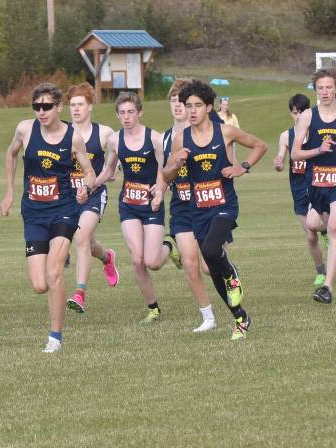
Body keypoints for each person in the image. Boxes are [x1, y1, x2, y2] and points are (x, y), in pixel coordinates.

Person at [162, 79, 267, 339]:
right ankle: (240, 318)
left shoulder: (226, 132)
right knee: (210, 262)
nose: (193, 110)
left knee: (210, 251)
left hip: (223, 205)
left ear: (209, 106)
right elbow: (166, 175)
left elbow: (260, 145)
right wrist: (175, 163)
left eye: (198, 105)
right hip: (197, 208)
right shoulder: (180, 138)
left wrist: (242, 167)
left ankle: (232, 274)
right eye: (188, 106)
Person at [1, 83, 95, 352]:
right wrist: (9, 191)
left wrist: (85, 187)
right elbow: (10, 153)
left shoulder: (73, 137)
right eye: (37, 107)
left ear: (58, 107)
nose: (41, 112)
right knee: (39, 284)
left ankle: (55, 337)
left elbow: (88, 171)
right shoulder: (25, 129)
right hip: (33, 212)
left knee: (54, 274)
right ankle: (58, 256)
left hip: (63, 209)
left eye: (46, 107)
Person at [93, 91, 174, 323]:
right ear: (117, 115)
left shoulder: (155, 139)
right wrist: (91, 187)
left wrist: (159, 191)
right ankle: (153, 308)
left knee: (153, 262)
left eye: (130, 112)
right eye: (122, 113)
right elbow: (109, 170)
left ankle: (169, 245)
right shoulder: (115, 140)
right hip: (129, 205)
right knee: (137, 260)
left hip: (152, 204)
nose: (126, 117)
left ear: (140, 112)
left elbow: (166, 171)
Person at [290, 68, 336, 304]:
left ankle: (327, 287)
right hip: (316, 183)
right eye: (320, 87)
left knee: (334, 227)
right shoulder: (308, 117)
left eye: (328, 87)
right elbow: (295, 154)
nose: (324, 92)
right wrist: (318, 150)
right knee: (323, 227)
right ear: (315, 90)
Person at [164, 78, 218, 332]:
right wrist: (162, 186)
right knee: (189, 262)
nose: (181, 106)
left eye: (184, 102)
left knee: (210, 265)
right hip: (182, 205)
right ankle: (207, 317)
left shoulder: (214, 130)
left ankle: (229, 272)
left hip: (209, 205)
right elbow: (165, 172)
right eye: (176, 101)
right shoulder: (172, 137)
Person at [64, 83, 119, 314]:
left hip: (94, 194)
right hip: (67, 195)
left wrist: (114, 169)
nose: (75, 109)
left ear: (90, 107)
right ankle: (107, 257)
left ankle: (79, 294)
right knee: (86, 242)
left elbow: (120, 152)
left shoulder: (104, 133)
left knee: (82, 236)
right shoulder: (62, 132)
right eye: (72, 105)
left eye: (80, 105)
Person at [274, 93, 326, 287]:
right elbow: (280, 162)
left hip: (316, 185)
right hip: (297, 189)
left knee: (315, 226)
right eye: (295, 113)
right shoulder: (286, 136)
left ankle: (332, 234)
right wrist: (278, 163)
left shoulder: (315, 132)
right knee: (311, 236)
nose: (298, 116)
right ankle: (321, 270)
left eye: (302, 112)